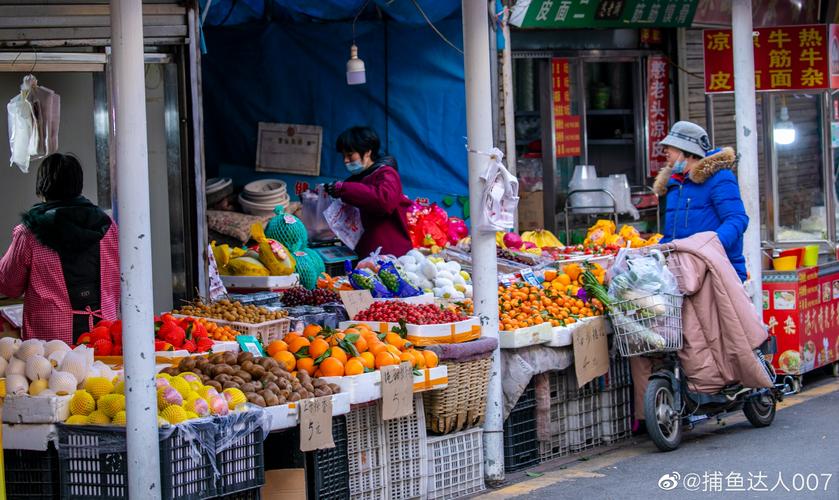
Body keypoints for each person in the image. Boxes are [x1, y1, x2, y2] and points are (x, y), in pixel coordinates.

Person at [0, 153, 120, 343]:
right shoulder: (108, 227)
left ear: (43, 187)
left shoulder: (30, 232)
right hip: (103, 336)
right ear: (78, 185)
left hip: (52, 343)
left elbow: (9, 285)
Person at [653, 121, 749, 281]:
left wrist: (710, 247)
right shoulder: (674, 184)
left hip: (717, 271)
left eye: (671, 147)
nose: (666, 151)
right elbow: (674, 234)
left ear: (688, 152)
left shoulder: (719, 178)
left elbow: (737, 219)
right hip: (685, 272)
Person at [325, 126, 413, 257]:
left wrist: (342, 189)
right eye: (343, 156)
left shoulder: (387, 173)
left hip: (390, 256)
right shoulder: (356, 180)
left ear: (367, 152)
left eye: (350, 155)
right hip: (366, 254)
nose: (345, 160)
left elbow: (384, 201)